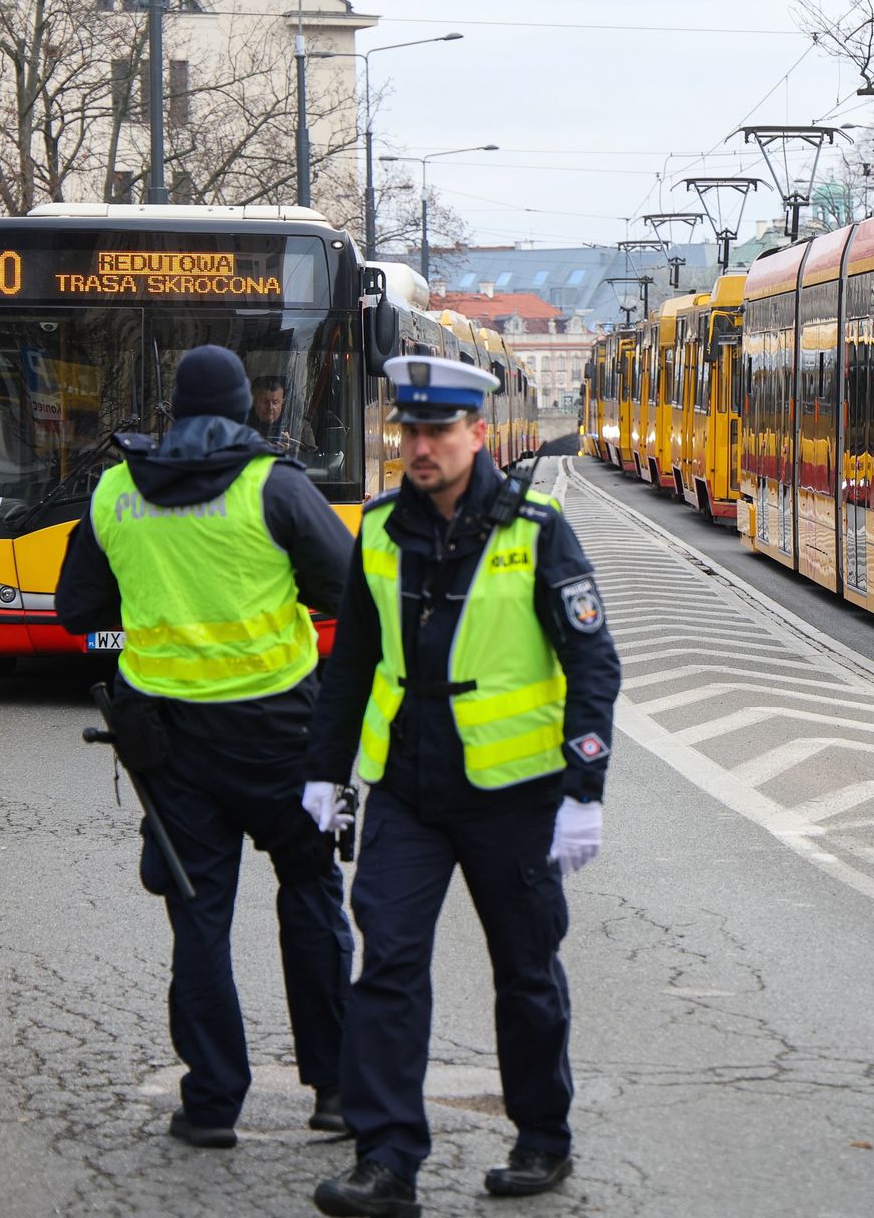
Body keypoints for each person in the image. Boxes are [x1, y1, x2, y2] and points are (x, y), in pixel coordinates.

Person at [306, 355, 620, 1218]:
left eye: (439, 430)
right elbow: (351, 669)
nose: (421, 446)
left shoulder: (536, 528)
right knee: (390, 964)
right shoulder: (375, 531)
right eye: (410, 431)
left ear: (478, 433)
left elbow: (594, 664)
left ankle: (542, 1137)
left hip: (514, 795)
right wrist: (325, 778)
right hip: (409, 790)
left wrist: (583, 788)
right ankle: (387, 1160)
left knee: (524, 971)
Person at [55, 344, 356, 1149]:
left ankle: (213, 1101)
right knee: (311, 897)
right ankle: (335, 1091)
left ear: (175, 413)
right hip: (282, 737)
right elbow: (344, 590)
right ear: (244, 407)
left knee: (199, 922)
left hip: (170, 746)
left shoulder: (115, 491)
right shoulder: (276, 486)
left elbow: (78, 611)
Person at [249, 373, 306, 452]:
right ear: (254, 401)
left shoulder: (300, 425)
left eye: (275, 402)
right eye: (265, 402)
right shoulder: (241, 424)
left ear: (282, 402)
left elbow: (312, 455)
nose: (270, 407)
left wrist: (290, 448)